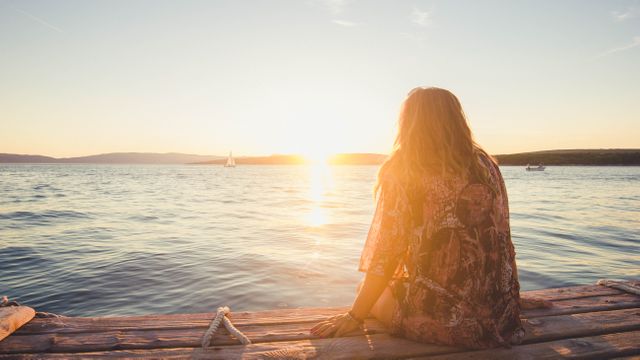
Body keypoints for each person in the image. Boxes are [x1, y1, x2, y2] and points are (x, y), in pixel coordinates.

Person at [310, 87, 527, 349]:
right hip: (501, 315)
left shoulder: (406, 166)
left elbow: (386, 254)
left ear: (409, 123)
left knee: (366, 292)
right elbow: (504, 239)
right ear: (457, 120)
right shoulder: (486, 165)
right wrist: (510, 298)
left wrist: (354, 316)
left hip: (450, 323)